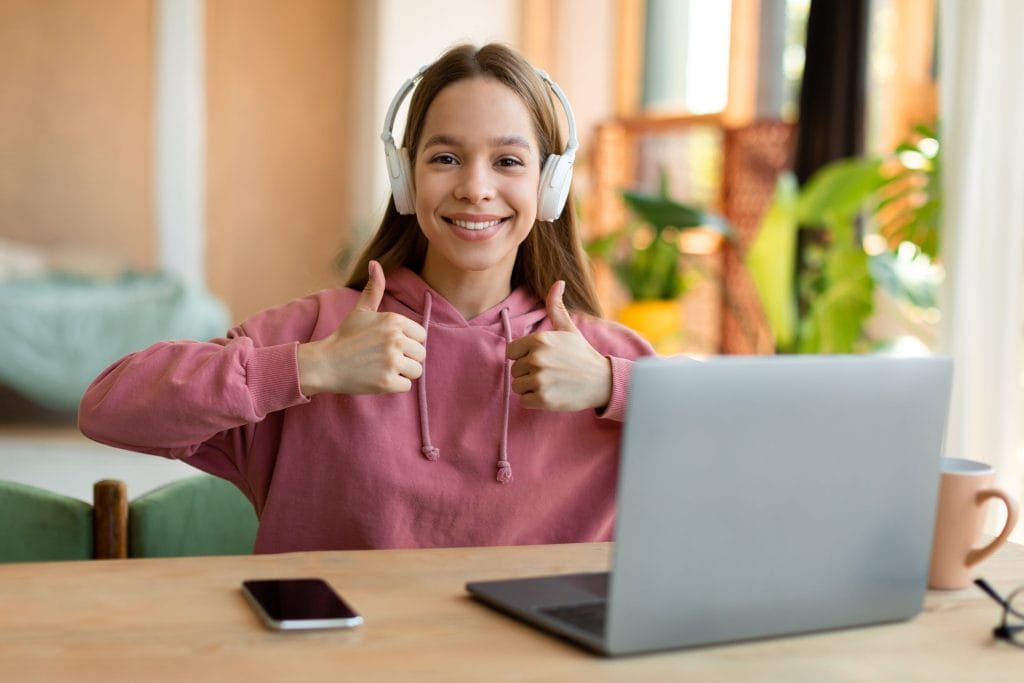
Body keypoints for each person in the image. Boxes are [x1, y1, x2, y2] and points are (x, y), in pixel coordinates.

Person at [78, 43, 655, 553]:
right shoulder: (323, 331)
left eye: (508, 161)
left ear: (549, 186)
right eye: (445, 158)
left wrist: (612, 385)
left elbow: (741, 456)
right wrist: (312, 365)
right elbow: (108, 407)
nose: (475, 187)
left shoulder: (598, 357)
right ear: (404, 177)